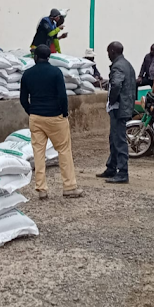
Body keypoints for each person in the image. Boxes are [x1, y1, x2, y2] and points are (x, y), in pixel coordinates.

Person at [19, 45, 84, 200]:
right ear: (49, 57)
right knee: (63, 150)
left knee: (39, 153)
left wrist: (31, 111)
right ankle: (69, 187)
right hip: (55, 116)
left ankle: (41, 189)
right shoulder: (56, 72)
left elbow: (22, 99)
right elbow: (62, 96)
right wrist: (64, 113)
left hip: (36, 117)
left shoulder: (27, 74)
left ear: (35, 57)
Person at [97, 42, 136, 184]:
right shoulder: (127, 64)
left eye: (108, 52)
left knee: (119, 140)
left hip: (119, 108)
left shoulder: (118, 66)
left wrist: (112, 100)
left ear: (113, 51)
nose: (107, 55)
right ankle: (111, 167)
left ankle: (123, 172)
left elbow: (117, 85)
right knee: (114, 138)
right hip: (125, 106)